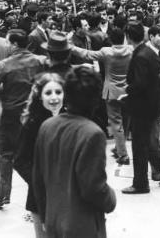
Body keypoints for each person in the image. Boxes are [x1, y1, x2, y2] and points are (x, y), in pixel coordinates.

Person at [32, 66, 116, 238]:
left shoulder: (47, 126)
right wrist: (111, 199)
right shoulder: (92, 133)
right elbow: (93, 187)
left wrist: (44, 216)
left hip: (53, 220)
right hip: (81, 226)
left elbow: (37, 179)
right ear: (95, 99)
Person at [0, 29, 48, 209]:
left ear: (14, 44)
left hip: (12, 115)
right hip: (35, 113)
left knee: (6, 154)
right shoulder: (40, 61)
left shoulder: (6, 64)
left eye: (8, 42)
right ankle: (42, 188)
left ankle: (4, 195)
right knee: (35, 154)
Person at [71, 26, 133, 165]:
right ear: (123, 38)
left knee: (116, 123)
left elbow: (86, 54)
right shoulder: (130, 50)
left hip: (111, 91)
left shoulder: (106, 52)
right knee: (126, 120)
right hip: (128, 91)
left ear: (110, 39)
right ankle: (119, 147)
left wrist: (71, 47)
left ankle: (123, 154)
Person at [14, 72, 65, 238]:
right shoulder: (32, 123)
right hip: (41, 197)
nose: (54, 98)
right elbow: (20, 161)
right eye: (48, 93)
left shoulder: (71, 120)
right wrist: (41, 182)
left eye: (58, 92)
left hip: (68, 197)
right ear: (39, 96)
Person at [122, 22, 160, 194]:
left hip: (143, 106)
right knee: (148, 142)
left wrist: (128, 90)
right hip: (154, 103)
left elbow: (140, 83)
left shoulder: (140, 56)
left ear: (128, 37)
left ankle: (141, 183)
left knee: (139, 146)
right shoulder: (149, 52)